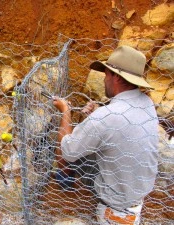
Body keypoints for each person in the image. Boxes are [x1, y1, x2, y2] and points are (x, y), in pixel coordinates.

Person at [53, 45, 159, 225]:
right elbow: (120, 126)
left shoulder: (106, 117)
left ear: (116, 77)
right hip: (136, 191)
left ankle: (65, 181)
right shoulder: (146, 103)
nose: (103, 80)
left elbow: (67, 151)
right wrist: (97, 113)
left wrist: (66, 111)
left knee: (63, 151)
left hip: (116, 206)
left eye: (106, 74)